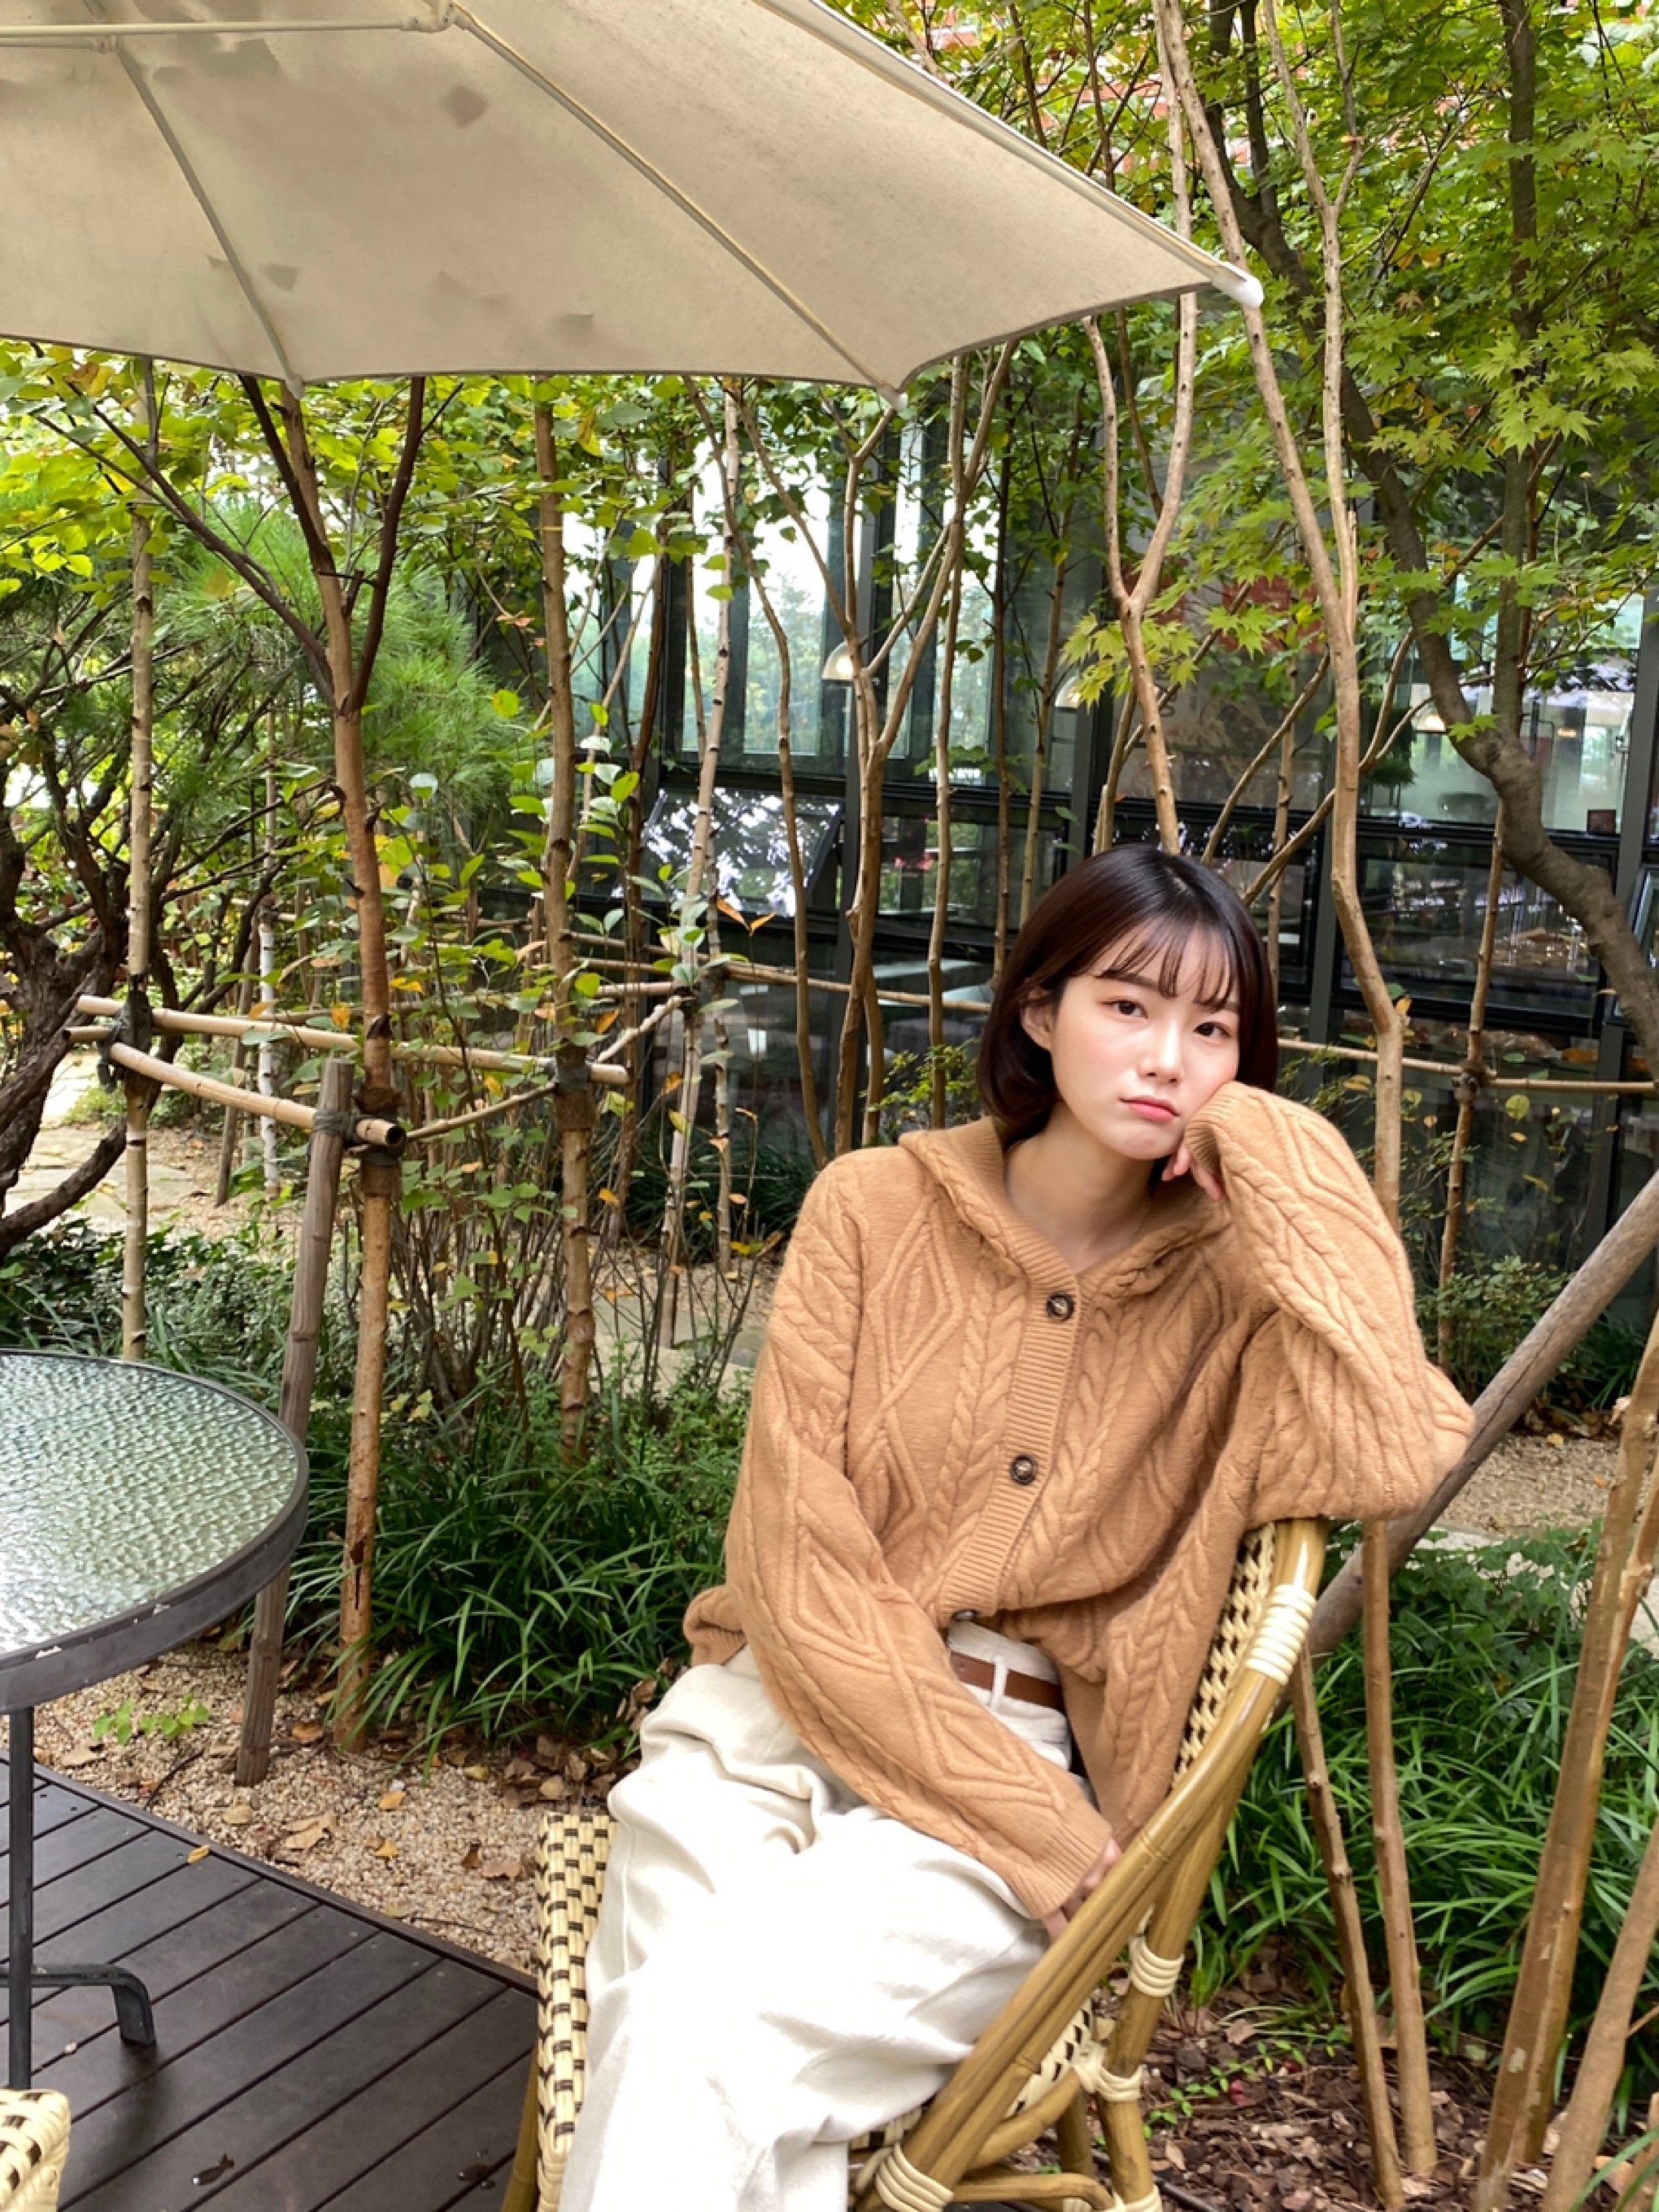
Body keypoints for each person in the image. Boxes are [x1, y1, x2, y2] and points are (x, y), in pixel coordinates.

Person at [560, 846, 1472, 2212]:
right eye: (1129, 1006)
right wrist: (1037, 1830)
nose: (1167, 1059)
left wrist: (1275, 1146)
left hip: (1013, 1771)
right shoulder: (871, 1207)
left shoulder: (1235, 1293)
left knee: (688, 2037)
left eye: (1213, 1030)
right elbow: (794, 1551)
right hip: (771, 1722)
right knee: (702, 2057)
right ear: (1040, 1010)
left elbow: (1399, 1442)